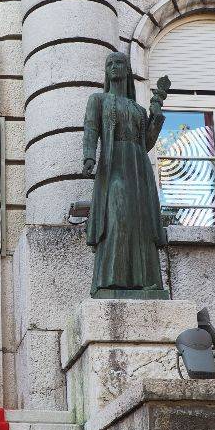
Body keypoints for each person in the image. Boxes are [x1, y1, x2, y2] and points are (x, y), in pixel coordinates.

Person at [82, 51, 170, 297]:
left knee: (139, 223)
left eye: (119, 63)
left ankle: (145, 281)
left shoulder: (138, 110)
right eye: (109, 63)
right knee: (117, 216)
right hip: (114, 165)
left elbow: (147, 143)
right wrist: (89, 156)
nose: (114, 67)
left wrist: (156, 113)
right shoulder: (97, 100)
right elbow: (90, 129)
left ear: (127, 70)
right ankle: (111, 280)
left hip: (138, 168)